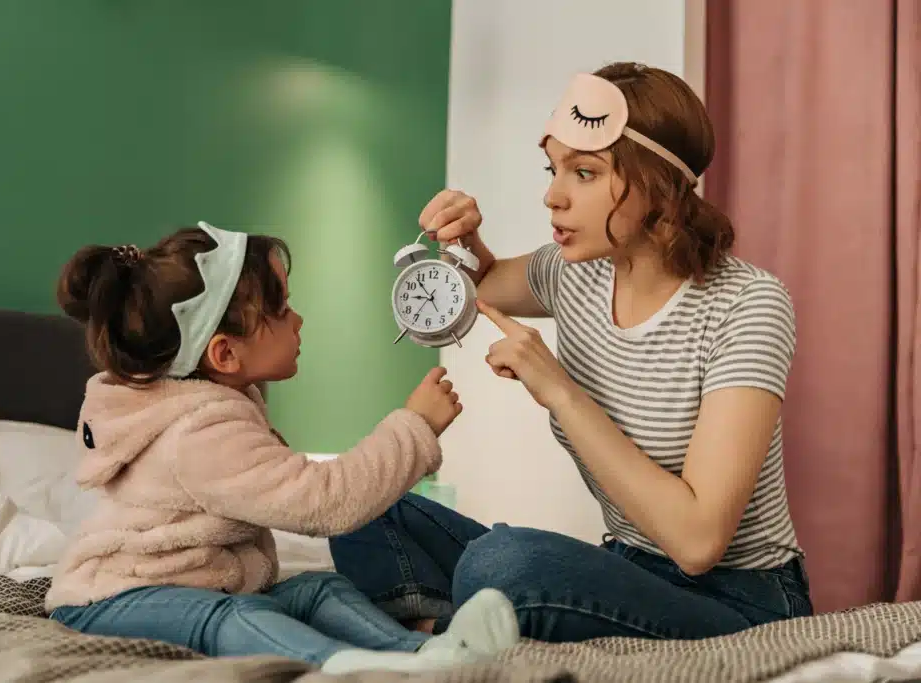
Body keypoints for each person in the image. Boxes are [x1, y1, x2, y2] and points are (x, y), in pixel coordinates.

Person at [328, 61, 813, 643]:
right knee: (358, 502)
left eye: (584, 172)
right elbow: (475, 284)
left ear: (658, 183)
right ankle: (450, 629)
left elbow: (697, 541)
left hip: (740, 598)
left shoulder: (748, 304)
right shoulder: (574, 272)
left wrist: (559, 390)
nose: (552, 196)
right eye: (553, 169)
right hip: (625, 566)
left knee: (504, 564)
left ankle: (452, 626)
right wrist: (464, 240)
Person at [43, 222, 520, 673]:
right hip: (114, 599)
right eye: (282, 309)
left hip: (197, 579)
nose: (299, 319)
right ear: (225, 353)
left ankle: (421, 653)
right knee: (224, 618)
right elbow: (324, 500)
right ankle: (344, 665)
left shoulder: (209, 408)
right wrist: (414, 427)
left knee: (318, 588)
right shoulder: (200, 432)